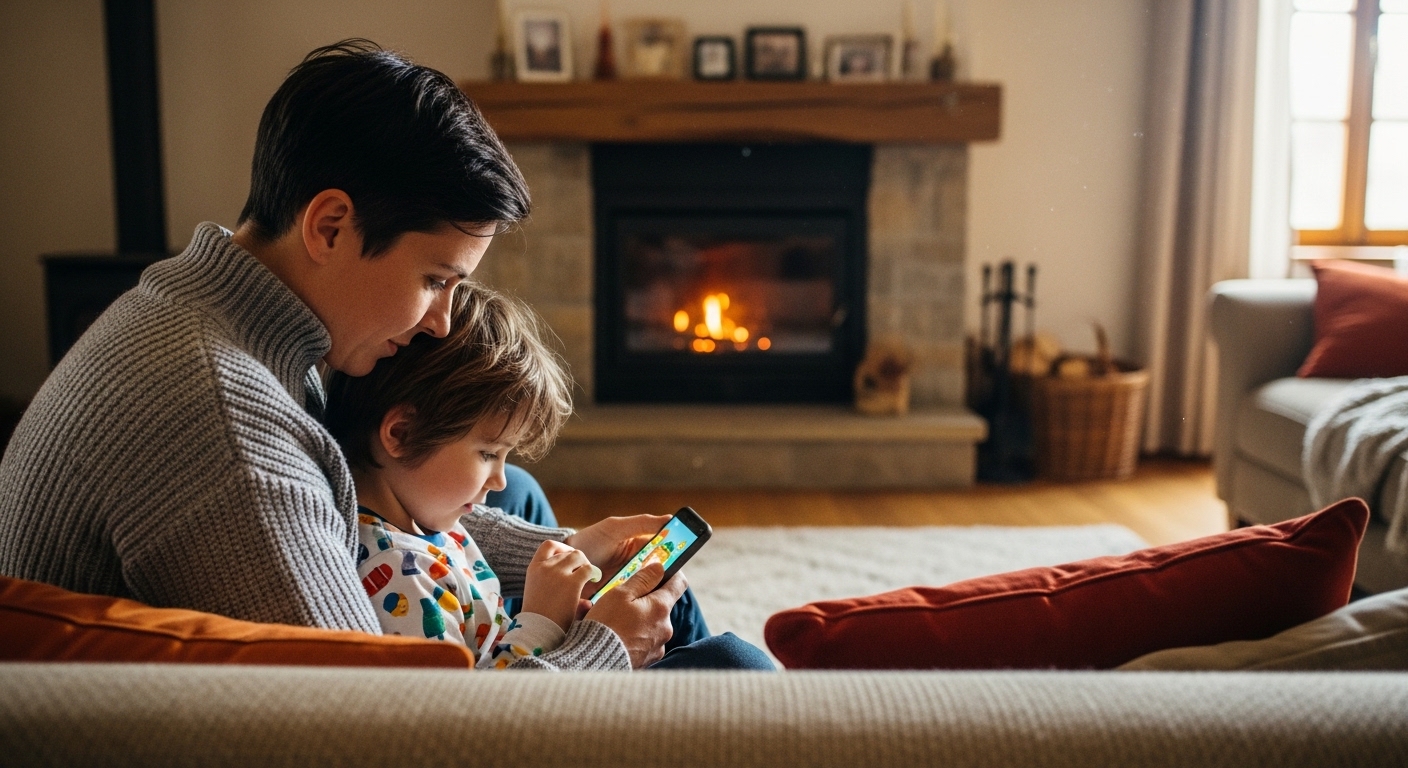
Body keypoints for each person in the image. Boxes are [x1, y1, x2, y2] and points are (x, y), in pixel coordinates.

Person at [0, 40, 736, 670]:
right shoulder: (224, 424)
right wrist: (598, 648)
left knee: (522, 497)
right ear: (329, 227)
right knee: (716, 655)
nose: (444, 323)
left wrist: (565, 553)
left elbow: (351, 508)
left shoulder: (218, 311)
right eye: (435, 280)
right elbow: (380, 722)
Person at [326, 283, 772, 670]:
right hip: (539, 712)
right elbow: (465, 719)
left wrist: (574, 560)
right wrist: (546, 622)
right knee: (735, 663)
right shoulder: (398, 580)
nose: (498, 480)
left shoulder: (423, 520)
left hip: (526, 656)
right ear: (401, 434)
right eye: (487, 453)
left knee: (664, 591)